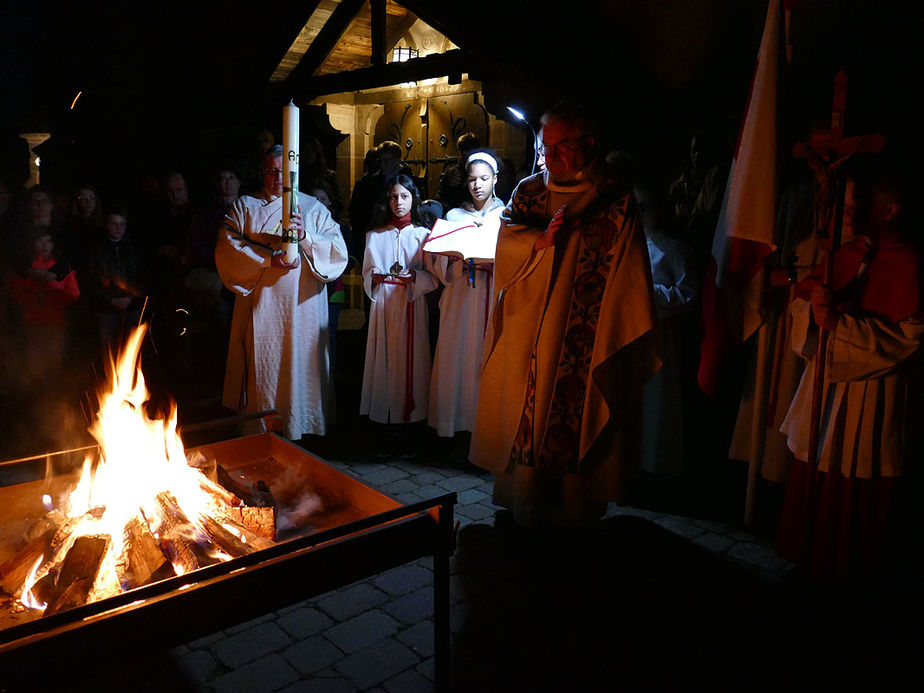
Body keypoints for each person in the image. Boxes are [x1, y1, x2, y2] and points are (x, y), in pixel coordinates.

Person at [469, 102, 659, 527]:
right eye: (546, 146)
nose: (549, 156)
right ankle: (525, 504)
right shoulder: (530, 191)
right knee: (528, 412)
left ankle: (577, 510)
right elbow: (508, 242)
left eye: (561, 146)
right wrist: (536, 242)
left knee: (582, 409)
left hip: (588, 335)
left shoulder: (614, 198)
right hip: (531, 333)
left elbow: (630, 273)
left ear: (588, 144)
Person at [775, 163, 922, 582]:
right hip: (828, 386)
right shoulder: (849, 252)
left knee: (859, 469)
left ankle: (852, 573)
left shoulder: (911, 263)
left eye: (855, 206)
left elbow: (909, 341)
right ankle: (808, 558)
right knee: (819, 458)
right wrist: (811, 311)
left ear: (889, 211)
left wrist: (841, 325)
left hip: (874, 394)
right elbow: (805, 308)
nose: (848, 216)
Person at [215, 145, 348, 440]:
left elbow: (338, 251)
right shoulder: (245, 207)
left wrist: (306, 237)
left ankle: (302, 427)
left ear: (294, 173)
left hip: (304, 310)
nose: (277, 178)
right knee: (265, 367)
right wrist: (266, 259)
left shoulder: (313, 208)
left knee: (300, 368)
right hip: (262, 307)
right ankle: (260, 433)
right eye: (270, 171)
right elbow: (227, 247)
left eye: (282, 172)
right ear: (262, 173)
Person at [427, 151, 505, 441]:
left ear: (495, 180)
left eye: (484, 179)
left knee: (487, 360)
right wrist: (453, 258)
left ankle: (486, 434)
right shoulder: (455, 216)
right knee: (458, 359)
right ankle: (457, 428)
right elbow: (439, 263)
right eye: (472, 180)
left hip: (491, 293)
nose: (478, 185)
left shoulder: (506, 216)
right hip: (461, 296)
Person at [360, 174, 437, 457]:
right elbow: (367, 271)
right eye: (393, 197)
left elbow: (433, 276)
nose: (398, 202)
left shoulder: (423, 235)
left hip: (410, 306)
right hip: (383, 309)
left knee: (412, 364)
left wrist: (414, 278)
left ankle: (411, 429)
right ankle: (384, 428)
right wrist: (375, 278)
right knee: (384, 362)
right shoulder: (375, 235)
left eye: (404, 196)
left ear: (414, 198)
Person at [85, 206, 146, 355]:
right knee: (109, 351)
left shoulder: (133, 248)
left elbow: (141, 276)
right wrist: (110, 299)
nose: (118, 228)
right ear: (106, 224)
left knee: (131, 351)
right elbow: (90, 279)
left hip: (131, 307)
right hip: (106, 309)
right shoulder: (96, 249)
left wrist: (131, 297)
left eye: (122, 224)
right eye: (114, 223)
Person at [437, 132, 482, 212]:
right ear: (460, 152)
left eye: (471, 150)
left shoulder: (482, 172)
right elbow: (441, 199)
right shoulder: (451, 173)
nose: (467, 155)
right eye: (465, 151)